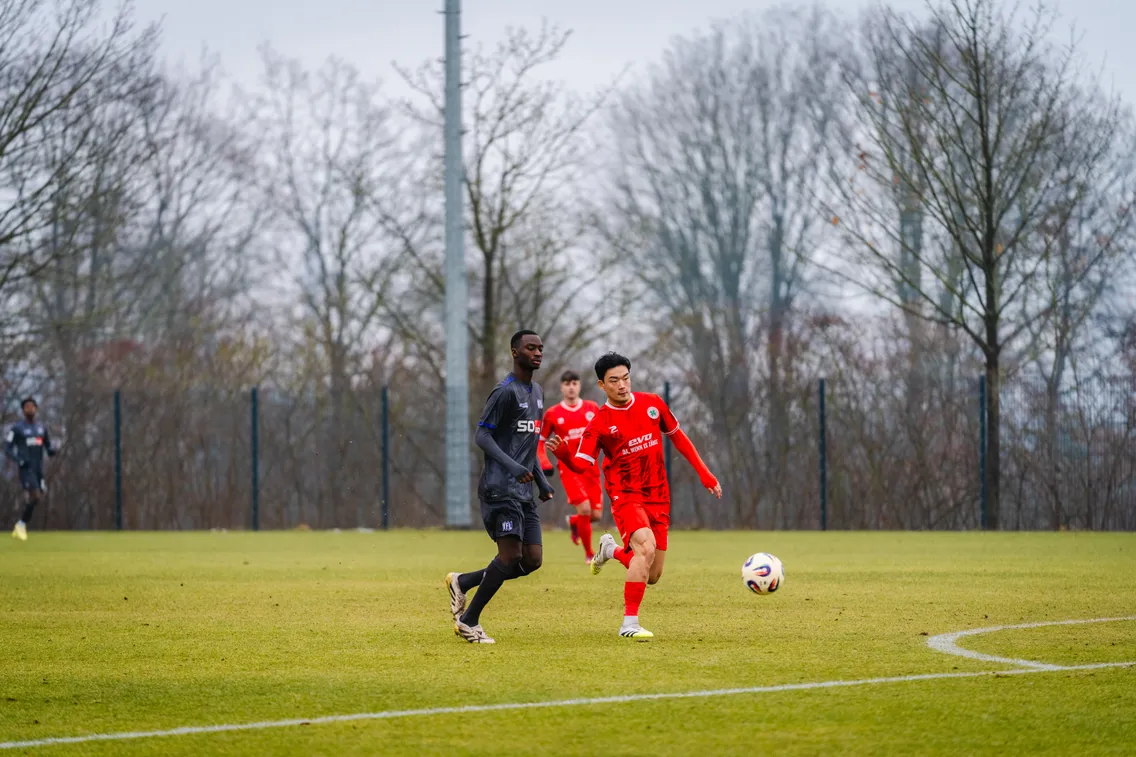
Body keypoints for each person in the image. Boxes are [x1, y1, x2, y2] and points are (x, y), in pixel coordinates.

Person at [547, 352, 721, 640]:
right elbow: (582, 464)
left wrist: (705, 473)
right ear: (602, 385)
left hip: (659, 495)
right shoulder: (599, 423)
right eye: (614, 381)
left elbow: (679, 437)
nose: (622, 385)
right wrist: (564, 454)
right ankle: (629, 623)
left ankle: (610, 551)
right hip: (625, 495)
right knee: (645, 548)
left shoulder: (652, 404)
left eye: (625, 378)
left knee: (652, 575)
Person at [445, 330, 554, 644]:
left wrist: (542, 482)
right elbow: (482, 437)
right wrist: (514, 468)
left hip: (524, 492)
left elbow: (528, 445)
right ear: (514, 351)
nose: (537, 353)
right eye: (530, 347)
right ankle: (469, 621)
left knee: (531, 560)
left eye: (540, 348)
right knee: (508, 557)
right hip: (499, 489)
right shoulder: (504, 392)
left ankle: (463, 582)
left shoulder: (537, 392)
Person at [538, 370, 603, 562]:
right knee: (584, 510)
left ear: (579, 385)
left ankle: (575, 523)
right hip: (569, 470)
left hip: (591, 469)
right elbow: (540, 442)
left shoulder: (592, 408)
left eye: (574, 383)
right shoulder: (552, 414)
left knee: (596, 515)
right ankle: (589, 554)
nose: (571, 387)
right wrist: (545, 462)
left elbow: (604, 435)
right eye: (567, 384)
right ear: (562, 387)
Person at [6, 398, 58, 541]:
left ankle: (20, 525)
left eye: (32, 406)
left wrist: (51, 450)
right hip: (26, 468)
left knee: (37, 498)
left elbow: (47, 445)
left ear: (36, 409)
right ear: (23, 410)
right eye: (27, 406)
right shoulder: (17, 428)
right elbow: (7, 448)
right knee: (35, 495)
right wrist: (19, 460)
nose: (30, 409)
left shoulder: (41, 428)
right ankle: (21, 525)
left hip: (38, 469)